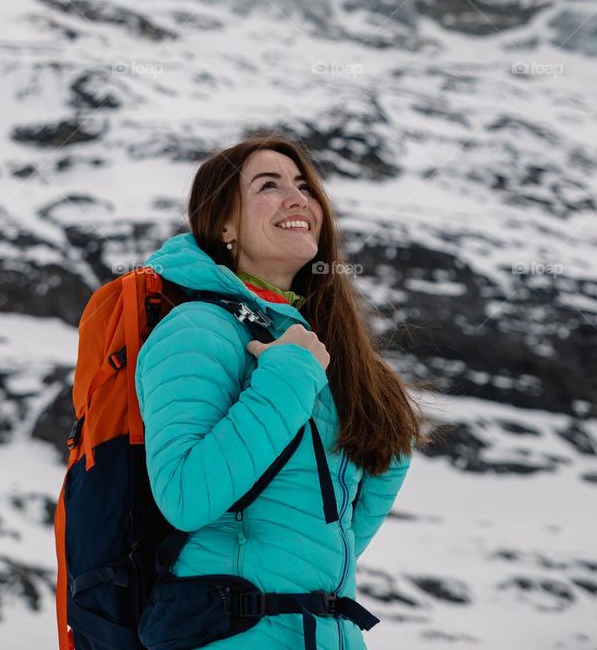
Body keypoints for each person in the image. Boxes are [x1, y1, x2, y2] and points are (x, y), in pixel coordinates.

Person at [134, 133, 430, 649]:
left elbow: (342, 524)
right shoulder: (197, 329)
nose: (299, 199)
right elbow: (185, 496)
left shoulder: (321, 345)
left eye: (305, 186)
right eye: (269, 186)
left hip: (326, 634)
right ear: (223, 223)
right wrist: (290, 374)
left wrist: (376, 406)